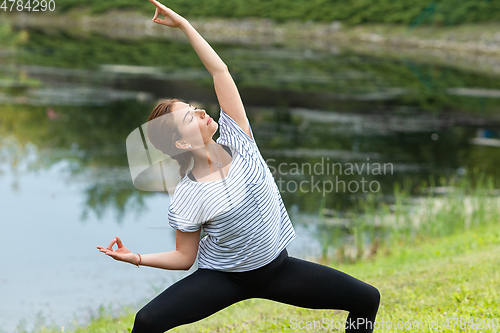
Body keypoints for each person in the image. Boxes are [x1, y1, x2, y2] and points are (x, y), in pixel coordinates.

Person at [96, 1, 381, 332]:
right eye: (190, 116)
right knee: (145, 321)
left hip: (279, 269)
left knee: (366, 299)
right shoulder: (188, 193)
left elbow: (220, 72)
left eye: (193, 106)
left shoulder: (239, 136)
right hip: (224, 278)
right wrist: (138, 259)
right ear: (182, 143)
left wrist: (185, 26)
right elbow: (184, 258)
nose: (202, 111)